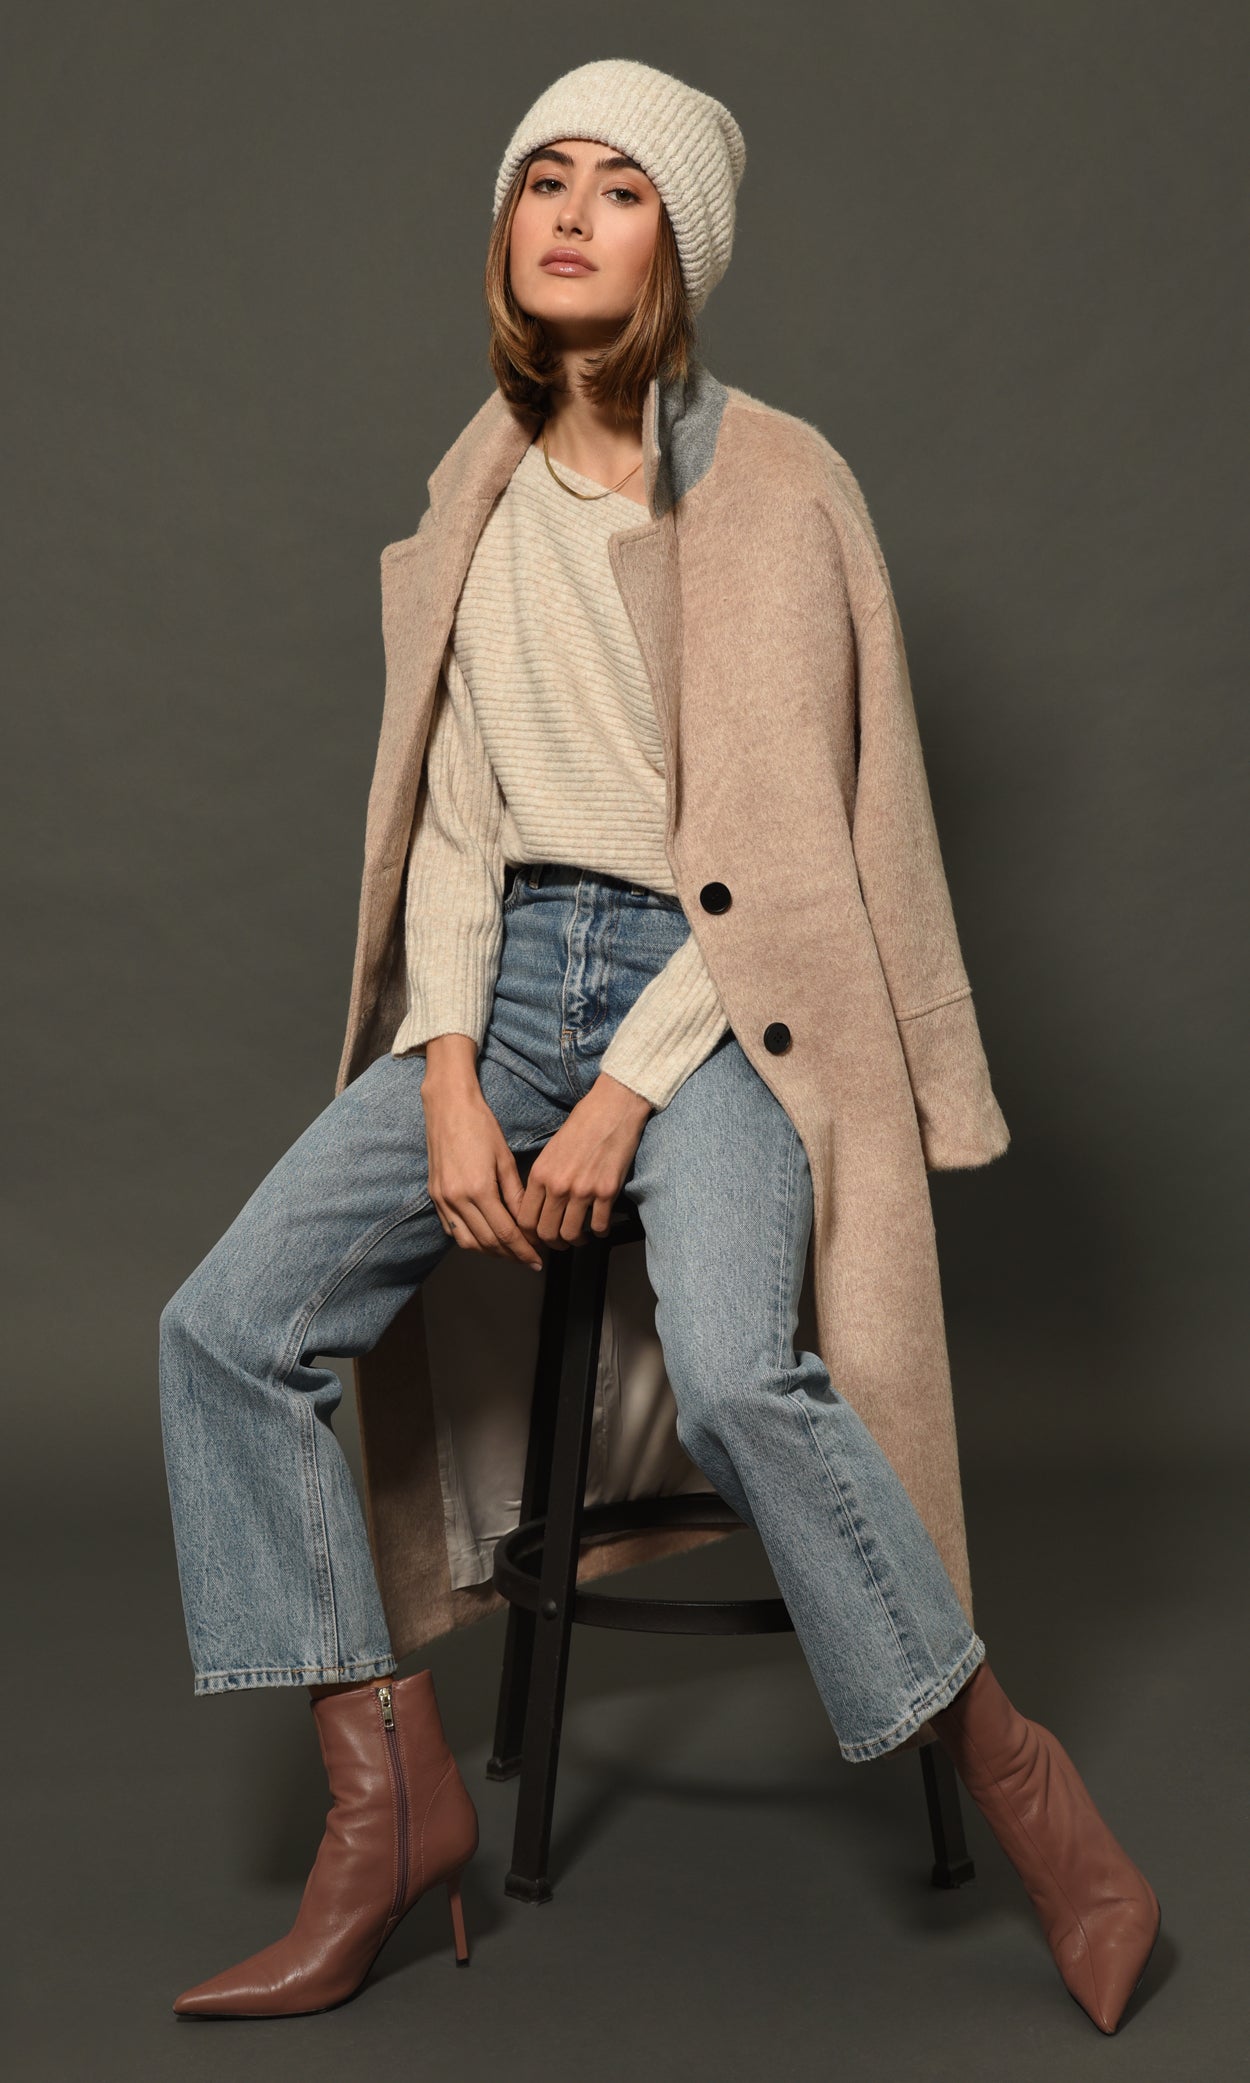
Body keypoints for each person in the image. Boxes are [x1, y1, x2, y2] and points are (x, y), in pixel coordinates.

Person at [159, 58, 1161, 2033]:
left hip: (726, 1005)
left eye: (618, 188)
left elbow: (786, 861)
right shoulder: (472, 490)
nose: (568, 212)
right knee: (223, 1329)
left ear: (677, 245)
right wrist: (455, 1067)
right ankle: (388, 1809)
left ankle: (1032, 1796)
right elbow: (453, 824)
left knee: (733, 1372)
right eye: (543, 176)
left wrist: (627, 1081)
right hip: (512, 969)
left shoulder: (777, 483)